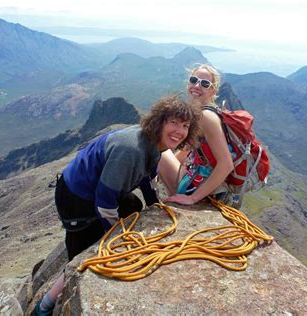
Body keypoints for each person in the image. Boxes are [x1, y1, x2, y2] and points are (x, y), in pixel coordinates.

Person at [33, 95, 201, 315]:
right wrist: (114, 237)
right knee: (84, 255)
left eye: (185, 126)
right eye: (173, 123)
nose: (179, 131)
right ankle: (44, 306)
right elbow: (104, 204)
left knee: (132, 205)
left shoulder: (153, 144)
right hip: (76, 199)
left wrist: (156, 205)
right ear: (159, 122)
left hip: (94, 189)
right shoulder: (131, 150)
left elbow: (146, 177)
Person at [158, 64, 234, 205]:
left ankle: (180, 199)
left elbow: (226, 164)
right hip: (199, 178)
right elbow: (187, 150)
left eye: (205, 84)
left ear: (213, 90)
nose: (197, 86)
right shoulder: (203, 112)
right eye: (194, 80)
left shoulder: (206, 117)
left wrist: (193, 198)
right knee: (163, 155)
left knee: (160, 153)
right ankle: (177, 197)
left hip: (205, 189)